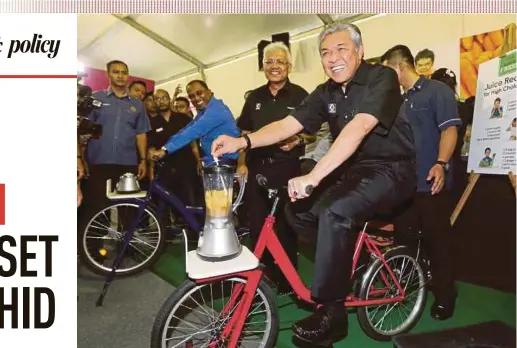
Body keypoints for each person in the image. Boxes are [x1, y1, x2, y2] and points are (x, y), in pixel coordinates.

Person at [212, 23, 416, 345]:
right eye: (325, 52)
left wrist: (314, 175)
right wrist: (243, 142)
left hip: (392, 170)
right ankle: (343, 260)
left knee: (334, 213)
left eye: (341, 49)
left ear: (359, 52)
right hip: (354, 172)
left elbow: (360, 127)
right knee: (299, 213)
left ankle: (332, 312)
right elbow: (287, 124)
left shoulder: (382, 77)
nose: (332, 58)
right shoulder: (326, 92)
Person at [382, 45, 462, 321]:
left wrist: (441, 163)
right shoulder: (398, 101)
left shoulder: (438, 91)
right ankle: (406, 290)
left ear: (400, 67)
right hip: (404, 187)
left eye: (387, 71)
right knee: (404, 241)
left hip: (432, 185)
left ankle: (445, 295)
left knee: (438, 243)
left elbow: (449, 129)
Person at [236, 41, 311, 294]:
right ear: (263, 66)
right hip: (257, 169)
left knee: (285, 225)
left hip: (287, 170)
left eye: (280, 61)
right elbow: (244, 132)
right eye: (269, 62)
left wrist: (299, 140)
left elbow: (314, 132)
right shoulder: (254, 97)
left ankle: (288, 280)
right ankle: (262, 279)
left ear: (289, 66)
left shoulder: (301, 95)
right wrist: (242, 164)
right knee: (257, 225)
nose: (274, 66)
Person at [149, 80, 240, 166]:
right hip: (215, 161)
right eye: (191, 96)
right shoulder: (203, 112)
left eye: (199, 93)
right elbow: (186, 129)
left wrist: (165, 150)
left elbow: (193, 131)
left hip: (229, 163)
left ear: (209, 92)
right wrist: (164, 148)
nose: (196, 98)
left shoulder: (217, 110)